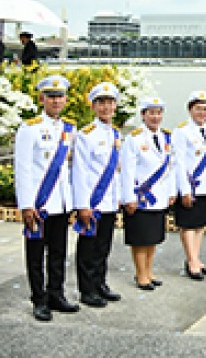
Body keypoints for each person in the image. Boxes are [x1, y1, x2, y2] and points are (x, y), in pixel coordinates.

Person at [14, 75, 80, 321]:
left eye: (60, 96)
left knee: (58, 252)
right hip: (39, 204)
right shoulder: (29, 128)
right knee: (35, 255)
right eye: (51, 97)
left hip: (61, 203)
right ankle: (39, 299)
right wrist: (26, 204)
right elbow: (23, 168)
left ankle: (56, 294)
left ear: (65, 100)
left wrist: (72, 202)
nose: (55, 101)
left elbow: (70, 169)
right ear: (42, 99)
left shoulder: (69, 130)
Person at [72, 82, 123, 308]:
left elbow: (118, 171)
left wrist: (120, 196)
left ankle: (100, 283)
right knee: (88, 248)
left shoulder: (116, 134)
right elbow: (80, 172)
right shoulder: (86, 135)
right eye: (101, 103)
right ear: (93, 107)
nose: (106, 107)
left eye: (110, 103)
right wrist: (83, 205)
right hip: (93, 202)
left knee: (103, 246)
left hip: (110, 201)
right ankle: (87, 290)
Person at [121, 97, 176, 290]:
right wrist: (128, 197)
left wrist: (171, 192)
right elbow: (127, 170)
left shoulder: (167, 137)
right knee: (140, 238)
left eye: (158, 113)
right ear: (143, 115)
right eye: (151, 113)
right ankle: (140, 274)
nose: (155, 117)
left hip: (159, 197)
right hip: (140, 197)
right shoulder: (134, 139)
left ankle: (149, 271)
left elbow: (170, 169)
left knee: (153, 238)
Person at [172, 91, 206, 280]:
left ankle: (196, 259)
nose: (202, 113)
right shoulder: (181, 131)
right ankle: (191, 262)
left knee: (200, 226)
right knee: (188, 226)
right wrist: (185, 190)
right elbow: (179, 163)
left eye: (205, 109)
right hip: (191, 185)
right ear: (190, 110)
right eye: (198, 109)